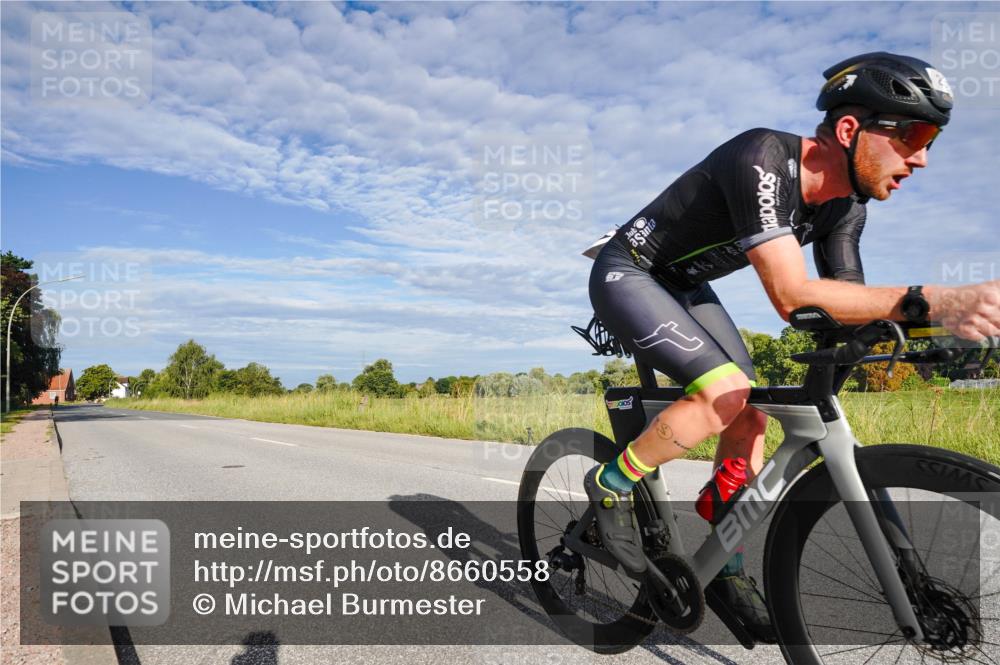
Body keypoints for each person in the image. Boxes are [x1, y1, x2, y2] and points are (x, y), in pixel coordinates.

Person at [583, 52, 1000, 642]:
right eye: (913, 133)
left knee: (750, 409)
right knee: (724, 392)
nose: (922, 157)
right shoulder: (764, 160)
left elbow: (840, 304)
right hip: (630, 271)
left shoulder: (845, 207)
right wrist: (936, 298)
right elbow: (790, 294)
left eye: (930, 138)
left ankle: (723, 562)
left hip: (685, 284)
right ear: (851, 129)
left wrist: (939, 339)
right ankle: (611, 484)